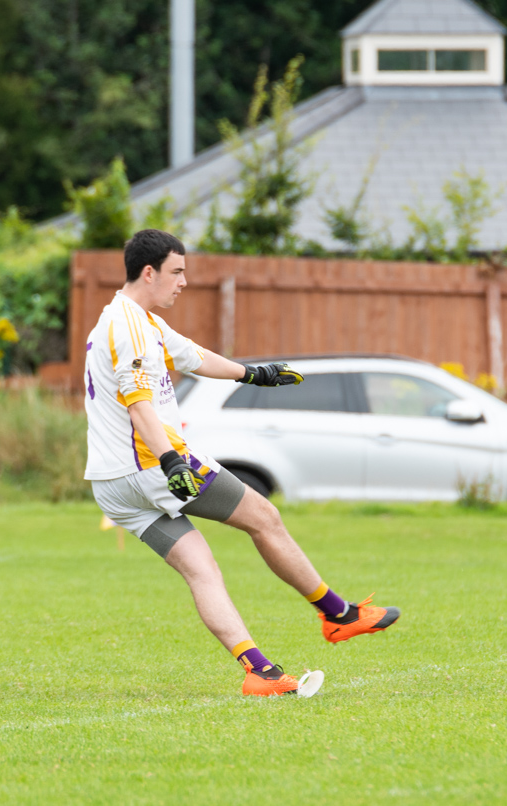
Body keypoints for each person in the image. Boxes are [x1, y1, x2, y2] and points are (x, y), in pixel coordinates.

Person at [83, 229, 398, 697]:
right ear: (148, 273)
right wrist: (172, 462)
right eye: (177, 272)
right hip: (153, 466)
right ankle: (339, 615)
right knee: (264, 518)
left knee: (202, 569)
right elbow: (139, 406)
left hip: (111, 483)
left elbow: (192, 357)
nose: (184, 282)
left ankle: (260, 672)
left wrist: (253, 374)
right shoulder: (129, 328)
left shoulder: (130, 319)